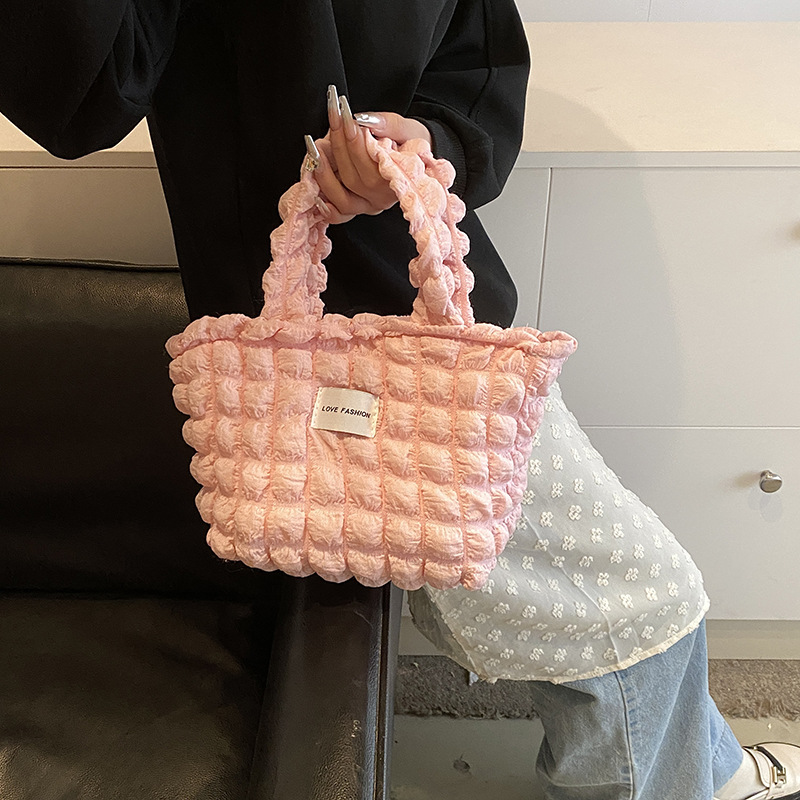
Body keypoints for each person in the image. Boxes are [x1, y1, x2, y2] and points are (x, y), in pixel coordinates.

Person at [1, 1, 797, 798]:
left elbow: (477, 57)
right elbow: (79, 94)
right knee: (639, 600)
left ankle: (703, 770)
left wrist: (428, 139)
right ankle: (703, 779)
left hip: (432, 351)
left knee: (598, 600)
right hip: (305, 347)